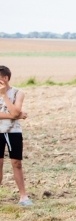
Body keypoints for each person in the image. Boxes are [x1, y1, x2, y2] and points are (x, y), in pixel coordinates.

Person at [0, 66, 31, 206]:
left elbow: (15, 110)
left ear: (5, 78)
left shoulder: (18, 93)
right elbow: (15, 113)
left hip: (14, 132)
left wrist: (4, 96)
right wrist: (17, 115)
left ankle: (23, 197)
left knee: (16, 163)